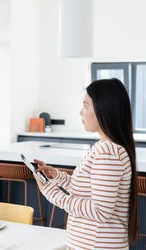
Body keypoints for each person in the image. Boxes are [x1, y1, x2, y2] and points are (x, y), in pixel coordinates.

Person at [34, 78, 138, 250]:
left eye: (85, 106)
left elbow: (100, 211)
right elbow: (89, 190)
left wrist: (51, 193)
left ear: (104, 109)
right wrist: (56, 176)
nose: (80, 112)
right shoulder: (104, 148)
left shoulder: (108, 153)